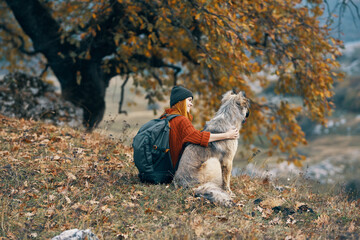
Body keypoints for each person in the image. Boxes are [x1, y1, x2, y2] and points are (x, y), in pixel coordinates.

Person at [161, 85, 239, 169]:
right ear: (181, 101)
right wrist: (227, 135)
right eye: (189, 100)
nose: (191, 104)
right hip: (173, 170)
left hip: (162, 167)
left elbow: (192, 135)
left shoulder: (165, 117)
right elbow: (198, 137)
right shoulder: (181, 120)